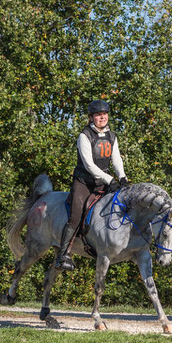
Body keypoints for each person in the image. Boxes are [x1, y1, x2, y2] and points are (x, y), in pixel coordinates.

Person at [54, 100, 129, 271]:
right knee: (75, 216)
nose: (102, 117)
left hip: (103, 182)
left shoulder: (112, 136)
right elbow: (89, 165)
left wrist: (122, 177)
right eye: (98, 115)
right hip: (84, 183)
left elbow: (116, 160)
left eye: (104, 114)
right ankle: (63, 255)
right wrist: (109, 179)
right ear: (91, 117)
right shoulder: (84, 136)